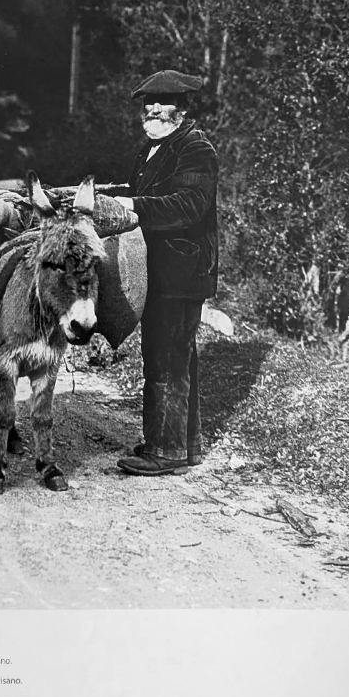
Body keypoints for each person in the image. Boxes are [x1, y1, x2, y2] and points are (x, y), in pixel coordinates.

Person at [114, 68, 219, 476]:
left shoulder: (195, 148)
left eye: (163, 103)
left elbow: (189, 206)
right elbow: (143, 196)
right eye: (148, 103)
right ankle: (181, 443)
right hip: (163, 268)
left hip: (182, 269)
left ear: (183, 108)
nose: (153, 109)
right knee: (173, 357)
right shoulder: (153, 149)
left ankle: (166, 452)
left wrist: (133, 206)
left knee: (167, 360)